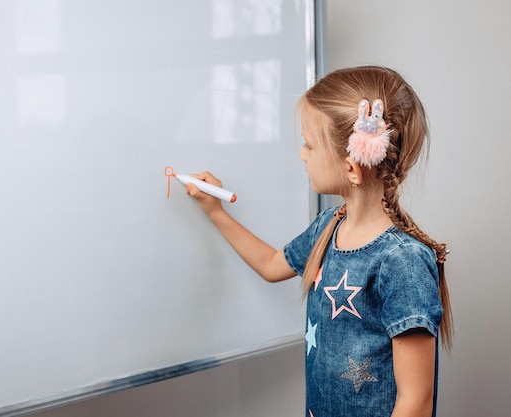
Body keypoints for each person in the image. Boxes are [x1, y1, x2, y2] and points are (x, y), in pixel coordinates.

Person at [185, 66, 452, 417]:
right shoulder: (329, 225)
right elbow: (270, 264)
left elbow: (415, 401)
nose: (302, 154)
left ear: (352, 168)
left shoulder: (401, 261)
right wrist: (215, 210)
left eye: (309, 144)